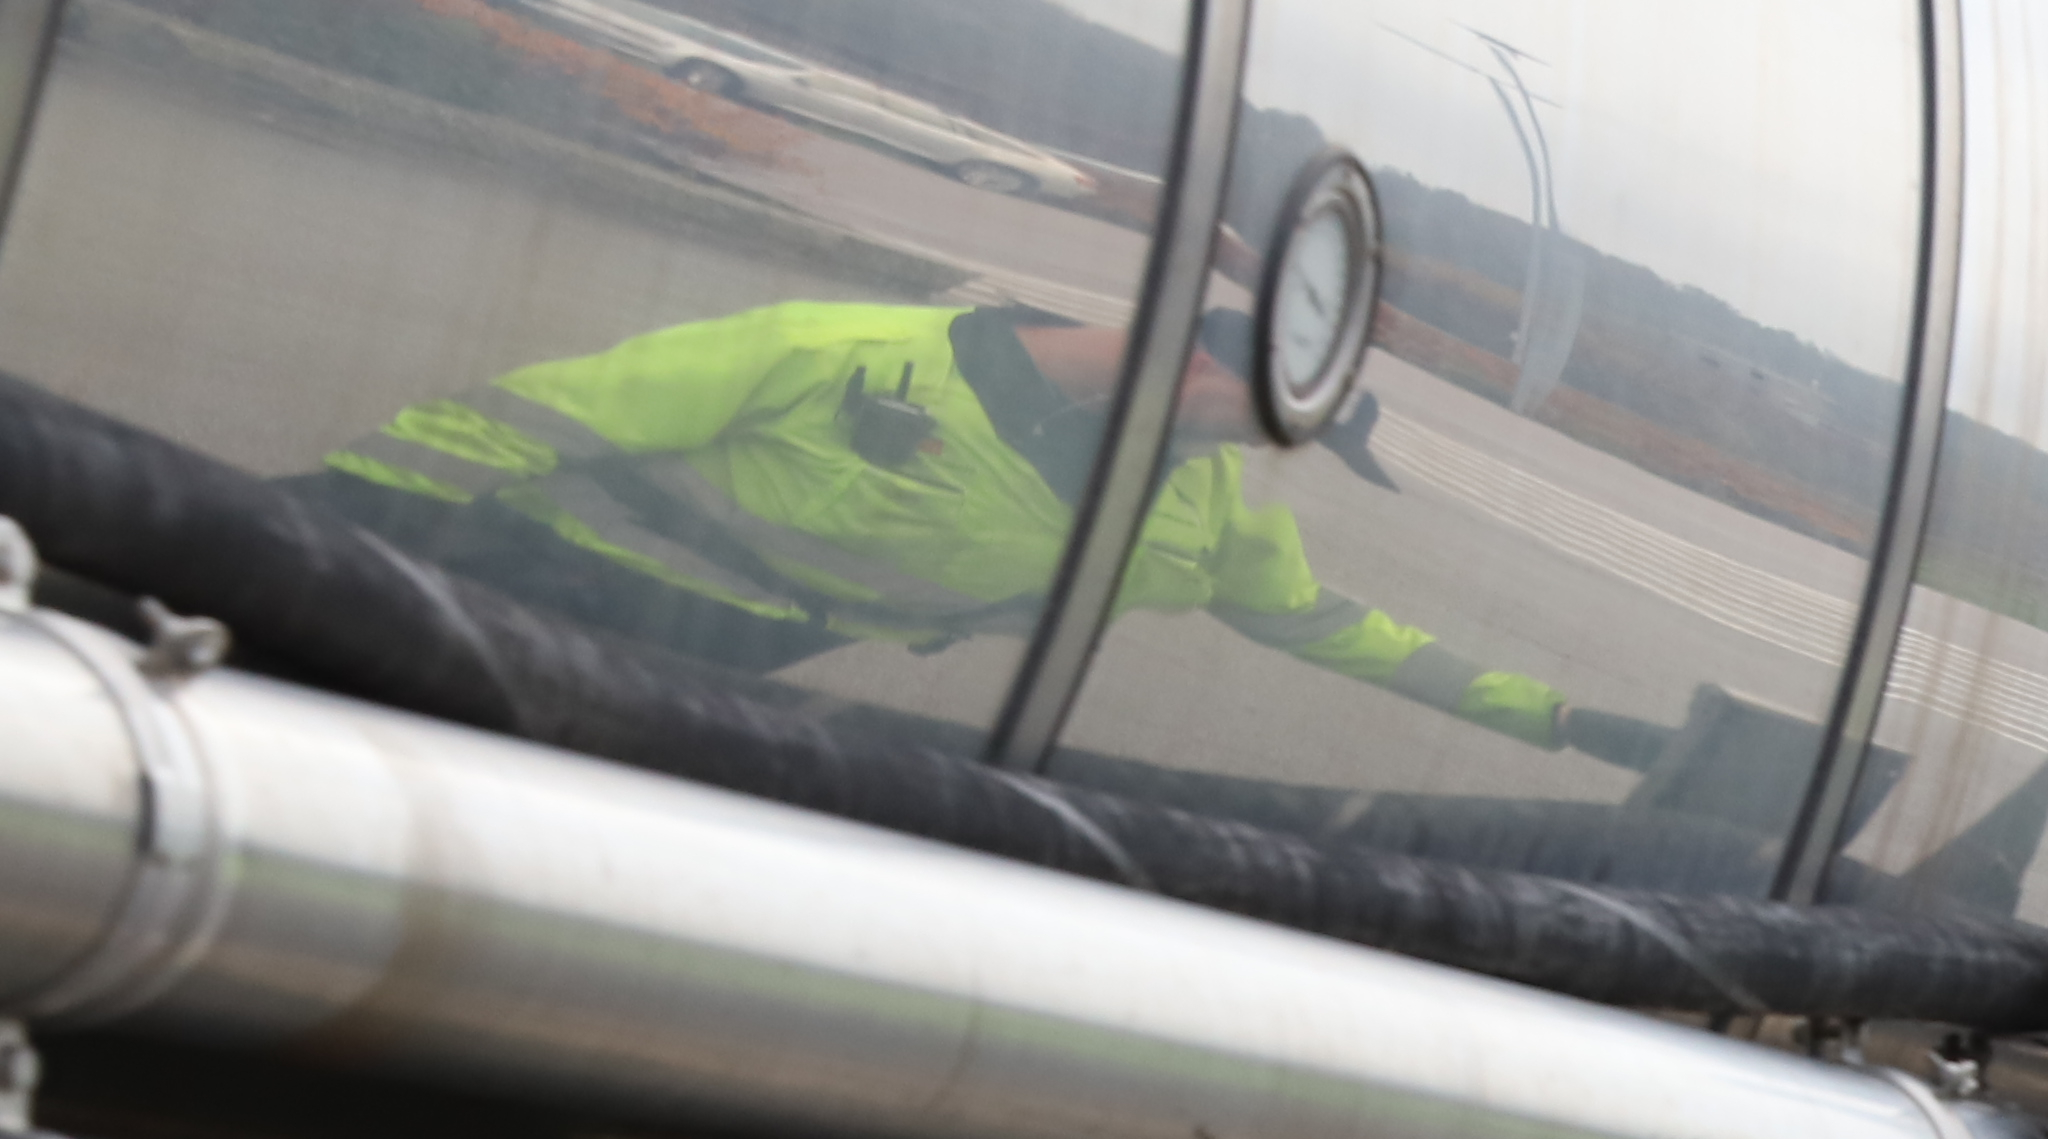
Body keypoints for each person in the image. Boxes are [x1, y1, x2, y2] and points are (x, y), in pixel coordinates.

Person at [315, 297, 1574, 744]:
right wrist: (301, 540)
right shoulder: (835, 350)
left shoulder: (1200, 510)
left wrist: (1558, 721)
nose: (1260, 455)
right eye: (1267, 424)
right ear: (1204, 368)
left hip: (717, 674)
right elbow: (512, 424)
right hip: (490, 580)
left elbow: (1331, 626)